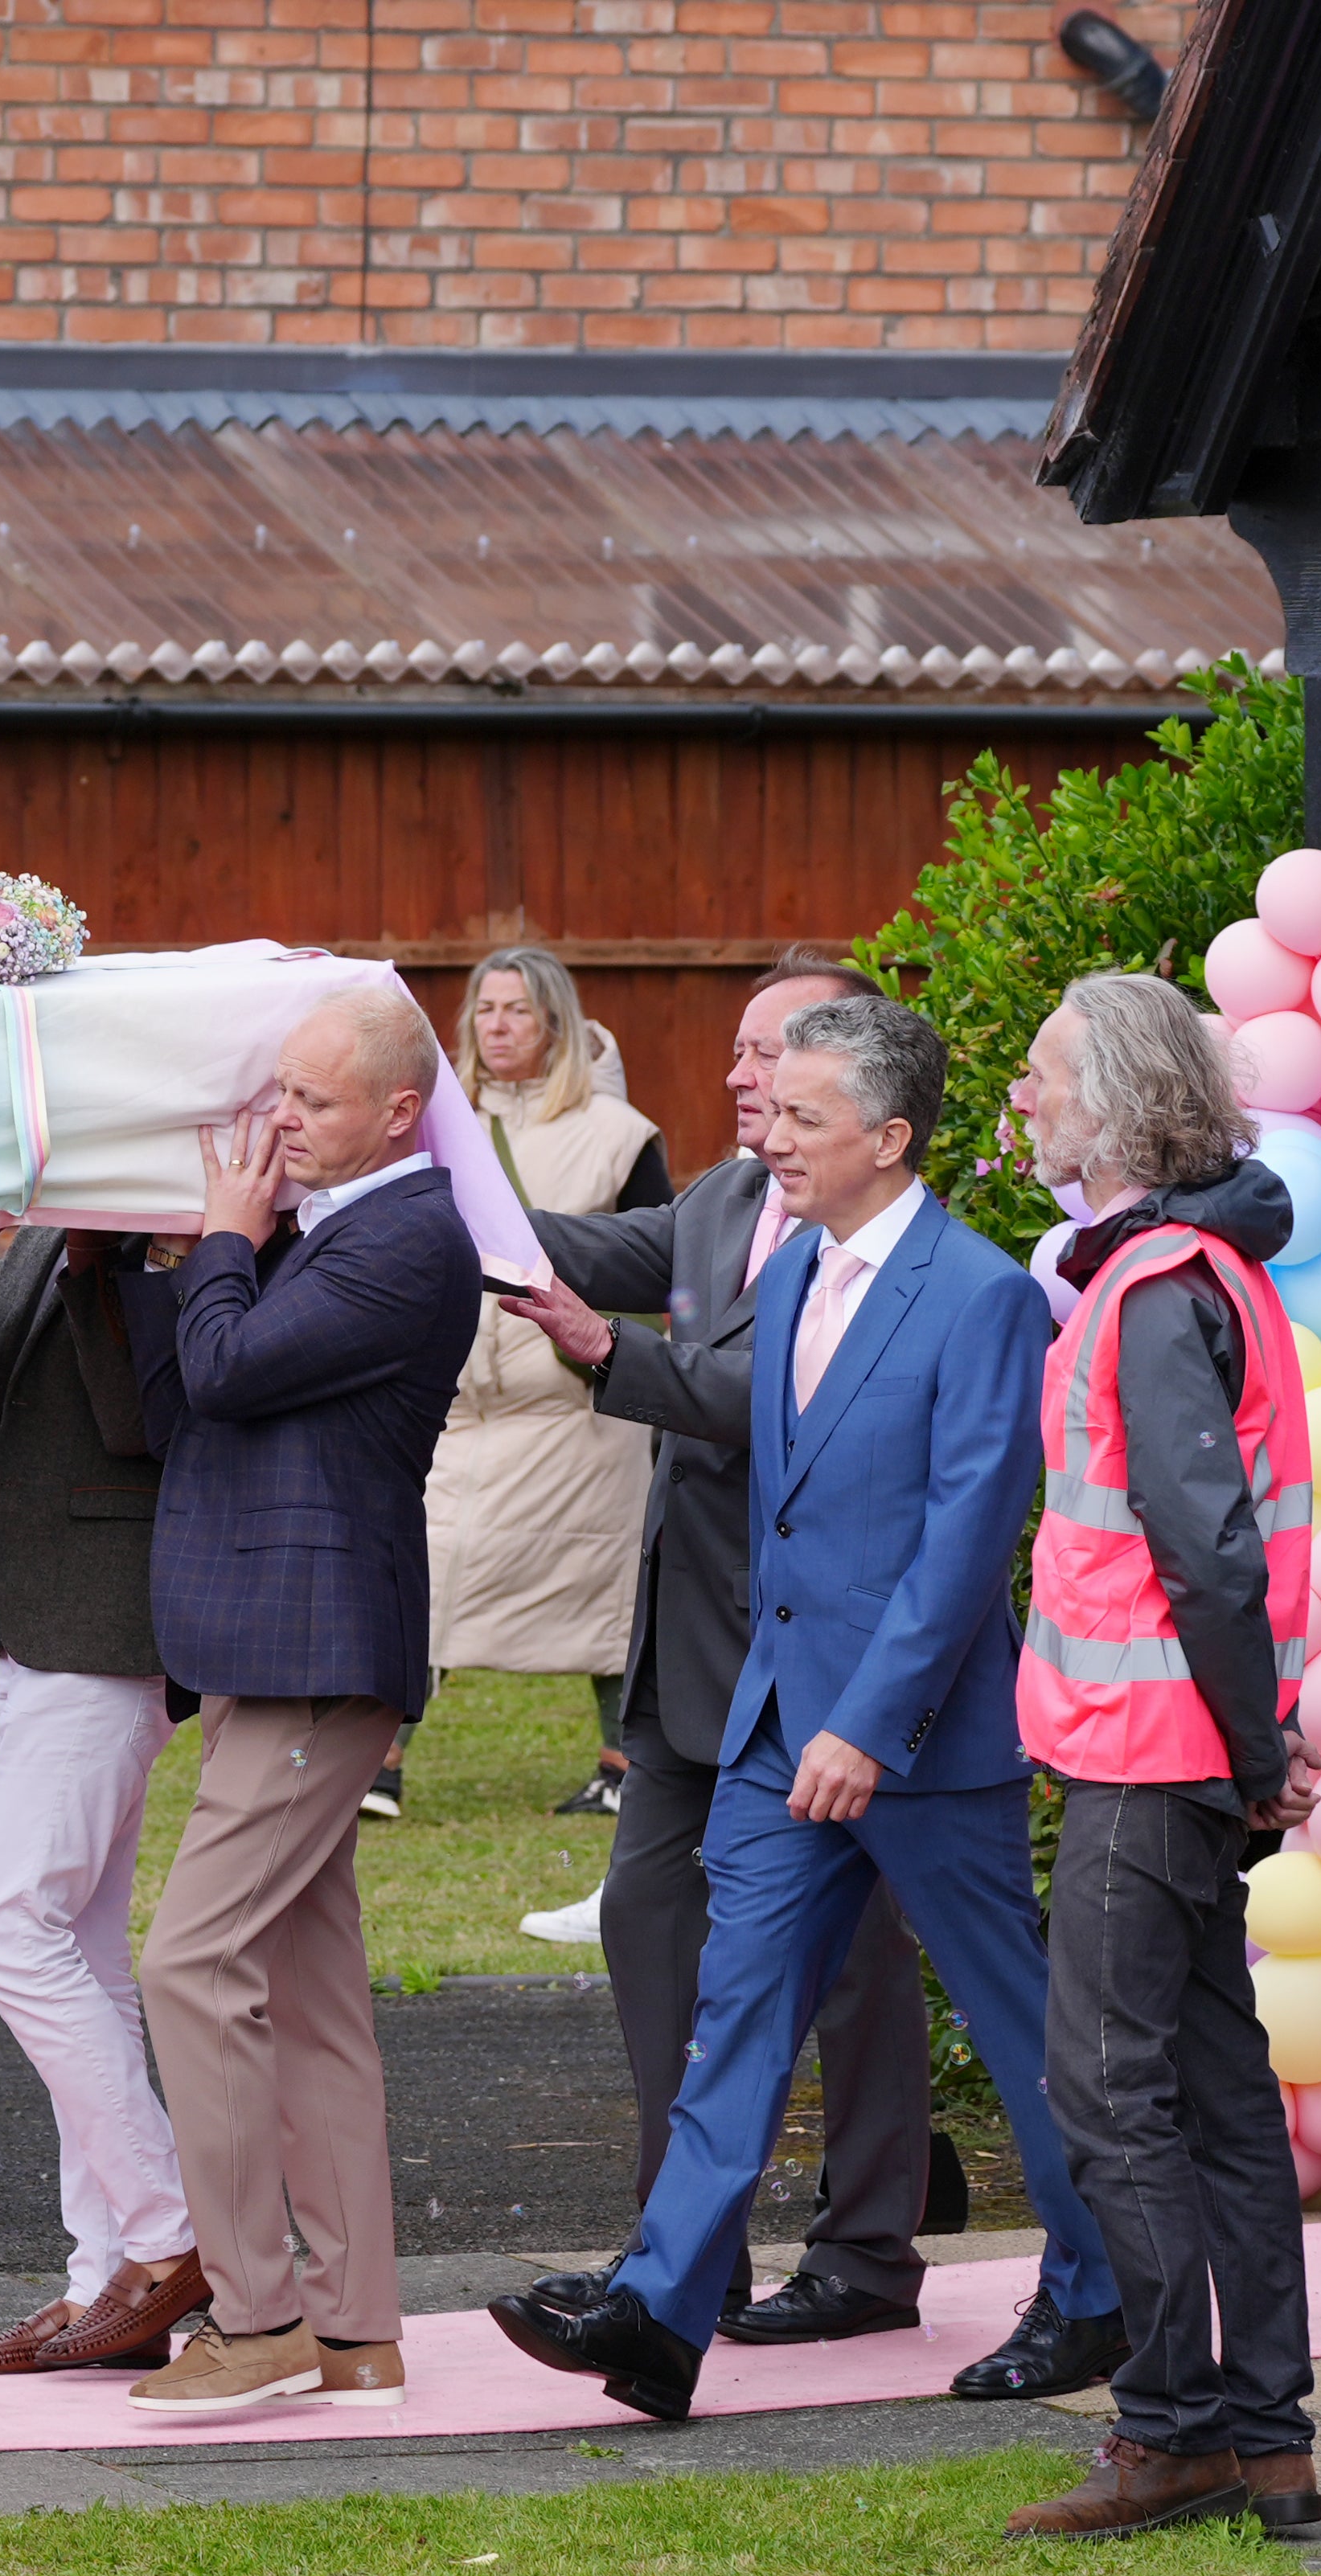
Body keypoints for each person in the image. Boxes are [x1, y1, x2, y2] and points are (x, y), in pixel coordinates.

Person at [486, 997, 1128, 2423]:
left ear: (889, 1141)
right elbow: (772, 1523)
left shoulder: (981, 1296)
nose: (765, 1138)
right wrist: (784, 1714)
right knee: (735, 2022)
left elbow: (965, 1539)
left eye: (801, 1119)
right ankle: (659, 2317)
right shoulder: (780, 1281)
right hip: (777, 1732)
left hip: (915, 1744)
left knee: (1017, 2023)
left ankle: (1095, 2294)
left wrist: (865, 1724)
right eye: (770, 1113)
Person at [498, 953, 942, 2352]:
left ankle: (867, 2253)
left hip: (823, 1664)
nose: (741, 1075)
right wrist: (435, 1194)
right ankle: (675, 2259)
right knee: (646, 1924)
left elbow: (783, 1400)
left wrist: (605, 1357)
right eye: (741, 1052)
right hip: (694, 1655)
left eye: (775, 1052)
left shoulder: (895, 1239)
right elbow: (578, 1250)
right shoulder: (718, 1200)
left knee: (855, 1962)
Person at [112, 988, 482, 2414]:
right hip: (276, 1647)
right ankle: (354, 2328)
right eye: (278, 1093)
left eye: (312, 1102)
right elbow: (179, 1404)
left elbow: (228, 1365)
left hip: (315, 1652)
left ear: (399, 1111)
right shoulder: (324, 1231)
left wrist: (218, 1243)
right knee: (312, 1999)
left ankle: (256, 2318)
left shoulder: (403, 1237)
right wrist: (178, 1256)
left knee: (187, 1969)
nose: (281, 1123)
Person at [1000, 972, 1321, 2541]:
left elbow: (1203, 1548)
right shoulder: (1206, 1269)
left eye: (1048, 1076)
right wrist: (1261, 1747)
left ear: (1123, 1102)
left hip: (1152, 1755)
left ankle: (1174, 2427)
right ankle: (1265, 2437)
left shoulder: (1150, 1289)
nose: (1027, 1099)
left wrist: (1256, 1748)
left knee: (1110, 2088)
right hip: (1194, 1748)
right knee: (1215, 2093)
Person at [0, 1218, 205, 2377]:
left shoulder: (155, 1231)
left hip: (106, 1628)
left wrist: (94, 1263)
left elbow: (143, 1416)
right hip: (36, 1625)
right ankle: (102, 2281)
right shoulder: (41, 1225)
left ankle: (169, 2239)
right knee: (82, 1951)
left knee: (5, 1929)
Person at [384, 949, 671, 1826]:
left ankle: (622, 1764)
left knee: (605, 1586)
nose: (496, 1026)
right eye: (484, 1010)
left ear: (555, 1022)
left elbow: (658, 1266)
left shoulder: (618, 1132)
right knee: (417, 1580)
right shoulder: (437, 1124)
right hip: (459, 1409)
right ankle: (377, 1765)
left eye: (516, 1010)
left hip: (573, 1411)